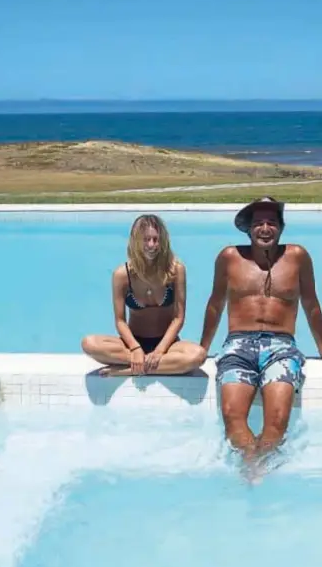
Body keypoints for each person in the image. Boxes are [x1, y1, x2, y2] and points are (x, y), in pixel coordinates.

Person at [200, 196, 322, 462]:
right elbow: (215, 304)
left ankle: (258, 468)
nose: (265, 228)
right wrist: (203, 350)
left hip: (282, 348)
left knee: (277, 420)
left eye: (271, 222)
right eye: (258, 223)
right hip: (238, 345)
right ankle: (253, 464)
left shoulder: (298, 257)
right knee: (233, 417)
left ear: (280, 227)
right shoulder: (229, 257)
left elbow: (311, 305)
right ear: (248, 228)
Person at [82, 213, 206, 376]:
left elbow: (178, 318)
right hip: (132, 344)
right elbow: (120, 321)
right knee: (89, 343)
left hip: (167, 345)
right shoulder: (122, 274)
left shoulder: (175, 270)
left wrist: (160, 351)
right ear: (135, 241)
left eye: (156, 239)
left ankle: (128, 370)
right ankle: (150, 365)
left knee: (198, 355)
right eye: (146, 239)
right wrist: (135, 348)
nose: (152, 245)